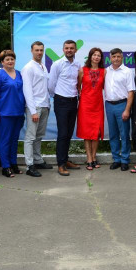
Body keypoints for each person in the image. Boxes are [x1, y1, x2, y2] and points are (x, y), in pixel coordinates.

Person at [0, 50, 26, 178]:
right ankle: (5, 166)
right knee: (5, 140)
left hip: (18, 112)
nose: (10, 61)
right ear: (2, 62)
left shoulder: (19, 74)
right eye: (7, 59)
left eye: (12, 59)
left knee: (14, 140)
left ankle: (13, 164)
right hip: (5, 113)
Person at [48, 40, 82, 176]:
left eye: (71, 48)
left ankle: (65, 160)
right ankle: (60, 164)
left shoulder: (78, 64)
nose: (69, 50)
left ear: (75, 50)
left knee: (68, 133)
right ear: (63, 50)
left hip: (73, 101)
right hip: (61, 101)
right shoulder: (57, 64)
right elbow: (51, 84)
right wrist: (57, 96)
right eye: (66, 48)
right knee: (62, 133)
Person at [21, 41, 53, 177]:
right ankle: (29, 165)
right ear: (31, 51)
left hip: (45, 105)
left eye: (41, 50)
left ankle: (38, 160)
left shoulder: (43, 66)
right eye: (37, 50)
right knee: (30, 137)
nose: (39, 52)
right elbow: (27, 90)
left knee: (39, 136)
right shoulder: (28, 68)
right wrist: (33, 111)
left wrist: (48, 105)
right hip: (35, 107)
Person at [104, 48, 135, 171]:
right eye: (114, 56)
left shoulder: (127, 71)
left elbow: (131, 92)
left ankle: (125, 160)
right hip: (109, 105)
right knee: (113, 134)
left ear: (122, 57)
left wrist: (127, 109)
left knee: (124, 134)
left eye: (118, 56)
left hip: (122, 104)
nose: (116, 59)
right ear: (110, 58)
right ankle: (116, 159)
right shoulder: (106, 71)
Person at [76, 48, 106, 170]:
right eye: (94, 55)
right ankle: (89, 158)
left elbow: (105, 87)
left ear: (101, 58)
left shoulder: (104, 71)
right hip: (85, 105)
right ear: (90, 56)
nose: (96, 57)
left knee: (97, 132)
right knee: (87, 133)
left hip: (98, 105)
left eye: (99, 55)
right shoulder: (82, 70)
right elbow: (78, 86)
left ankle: (94, 157)